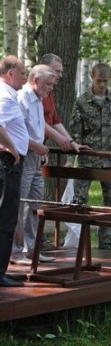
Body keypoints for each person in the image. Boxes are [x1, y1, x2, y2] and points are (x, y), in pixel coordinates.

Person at [67, 63, 111, 251]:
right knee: (79, 200)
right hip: (88, 159)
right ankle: (79, 240)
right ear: (91, 78)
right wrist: (71, 159)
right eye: (98, 80)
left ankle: (106, 242)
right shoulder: (82, 102)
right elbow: (75, 133)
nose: (102, 84)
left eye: (105, 81)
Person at [37, 53, 87, 250]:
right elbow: (37, 123)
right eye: (56, 71)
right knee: (27, 200)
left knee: (36, 197)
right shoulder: (35, 93)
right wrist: (60, 139)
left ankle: (34, 240)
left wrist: (71, 142)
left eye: (60, 72)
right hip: (31, 150)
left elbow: (55, 120)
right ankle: (26, 243)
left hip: (40, 150)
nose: (59, 76)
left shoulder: (48, 93)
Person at [10, 65, 57, 265]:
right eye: (48, 83)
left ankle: (32, 248)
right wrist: (36, 146)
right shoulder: (22, 99)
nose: (51, 88)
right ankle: (15, 250)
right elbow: (15, 132)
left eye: (53, 84)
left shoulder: (39, 99)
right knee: (19, 203)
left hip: (37, 157)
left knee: (35, 203)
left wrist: (42, 148)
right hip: (24, 155)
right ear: (35, 80)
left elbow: (38, 127)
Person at [0, 56, 30, 286]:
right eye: (22, 73)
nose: (25, 77)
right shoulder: (5, 97)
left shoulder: (9, 95)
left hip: (9, 161)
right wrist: (12, 147)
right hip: (6, 163)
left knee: (7, 216)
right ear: (10, 74)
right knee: (6, 217)